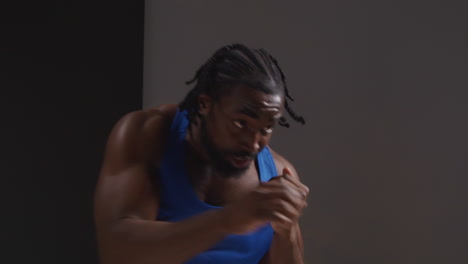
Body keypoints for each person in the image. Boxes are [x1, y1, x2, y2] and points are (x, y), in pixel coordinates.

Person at [94, 43, 310, 264]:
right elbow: (117, 253)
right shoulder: (147, 134)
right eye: (240, 123)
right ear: (205, 104)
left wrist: (287, 234)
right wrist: (228, 220)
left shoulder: (277, 173)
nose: (253, 144)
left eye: (266, 128)